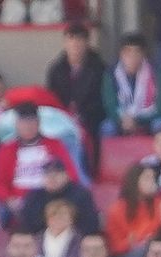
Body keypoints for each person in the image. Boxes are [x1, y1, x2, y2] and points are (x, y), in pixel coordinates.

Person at [45, 23, 105, 162]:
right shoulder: (56, 69)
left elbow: (101, 100)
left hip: (90, 118)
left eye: (80, 40)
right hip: (63, 118)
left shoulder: (99, 68)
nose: (75, 45)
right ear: (65, 43)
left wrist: (81, 114)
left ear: (87, 43)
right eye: (71, 40)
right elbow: (51, 99)